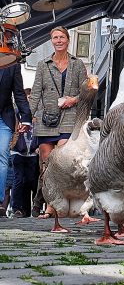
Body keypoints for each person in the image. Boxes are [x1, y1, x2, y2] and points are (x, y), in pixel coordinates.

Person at [29, 26, 87, 219]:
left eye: (62, 37)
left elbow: (86, 92)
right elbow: (36, 93)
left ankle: (61, 203)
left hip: (69, 118)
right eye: (55, 38)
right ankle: (50, 206)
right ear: (51, 40)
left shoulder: (77, 64)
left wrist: (74, 100)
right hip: (47, 119)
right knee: (46, 165)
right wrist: (27, 118)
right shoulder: (42, 64)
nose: (59, 40)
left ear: (68, 40)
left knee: (61, 163)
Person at [0, 64, 32, 217]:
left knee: (2, 156)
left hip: (3, 118)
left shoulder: (12, 64)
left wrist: (26, 117)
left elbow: (19, 93)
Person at [10, 88, 39, 218]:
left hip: (33, 153)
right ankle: (16, 208)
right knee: (18, 180)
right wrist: (13, 144)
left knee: (32, 181)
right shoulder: (16, 114)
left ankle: (29, 209)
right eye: (28, 98)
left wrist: (38, 146)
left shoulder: (38, 115)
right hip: (18, 152)